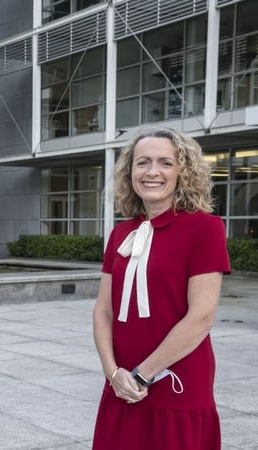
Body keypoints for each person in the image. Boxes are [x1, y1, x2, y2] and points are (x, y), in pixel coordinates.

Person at [91, 126, 231, 449]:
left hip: (177, 382)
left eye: (165, 163)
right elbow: (102, 310)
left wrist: (142, 375)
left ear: (183, 171)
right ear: (130, 173)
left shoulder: (205, 228)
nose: (152, 172)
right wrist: (113, 375)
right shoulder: (120, 234)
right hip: (121, 384)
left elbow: (201, 318)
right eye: (143, 162)